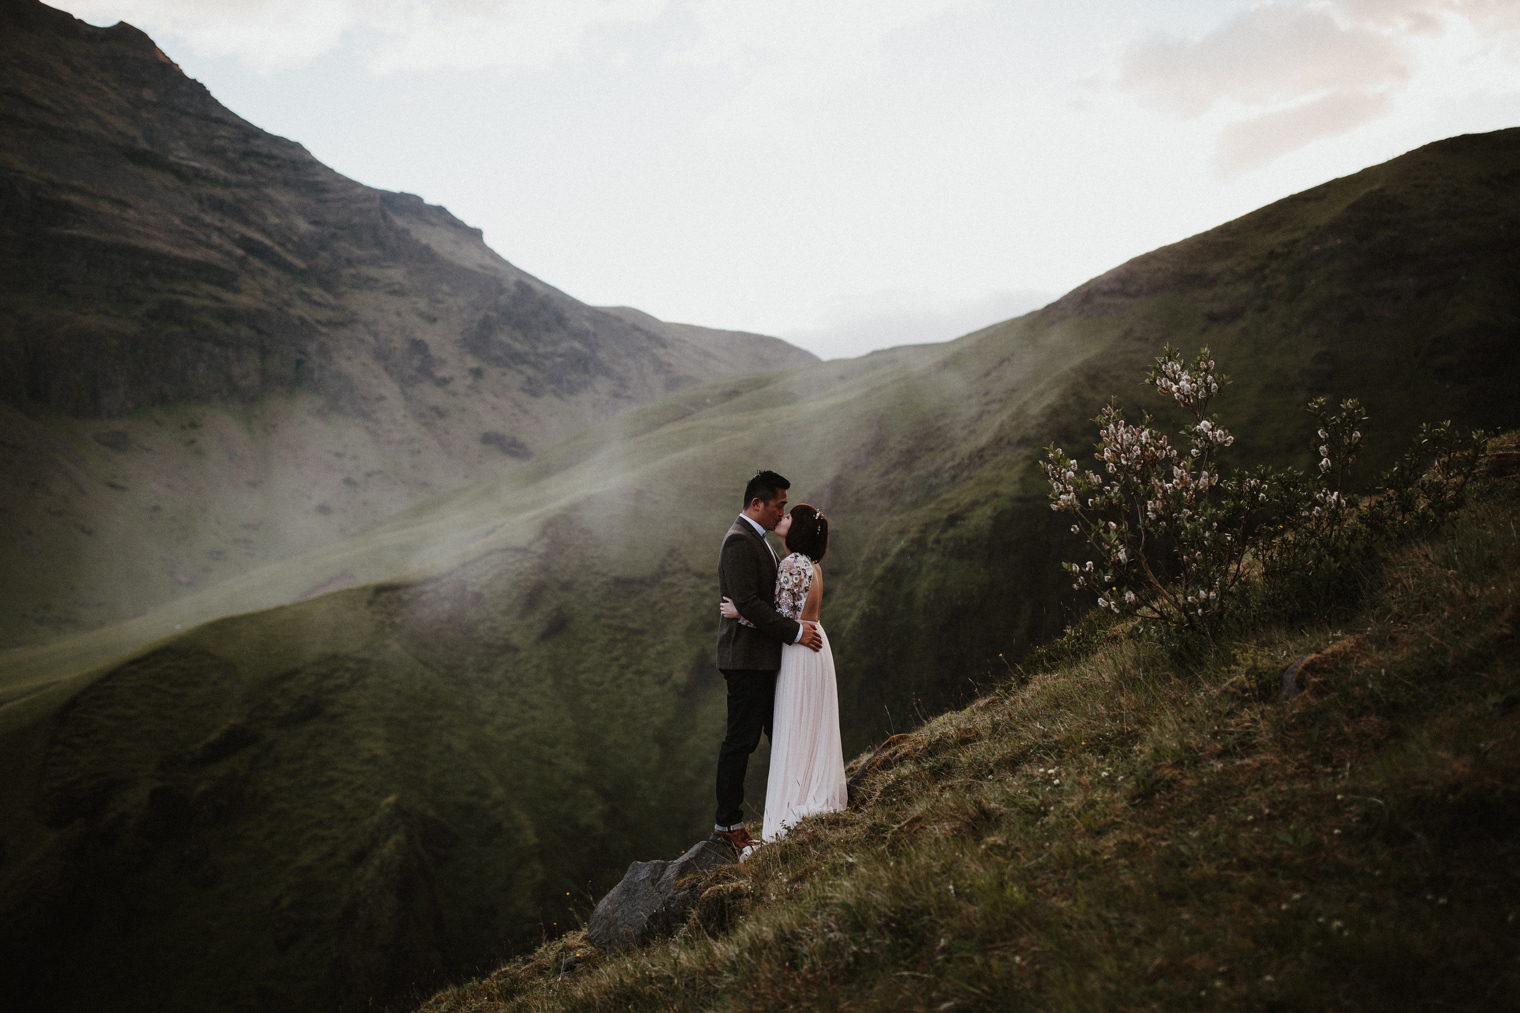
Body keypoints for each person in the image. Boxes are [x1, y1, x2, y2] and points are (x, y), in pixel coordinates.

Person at [712, 471, 823, 857]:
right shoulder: (739, 541)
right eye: (779, 505)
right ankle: (728, 825)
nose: (781, 512)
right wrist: (795, 632)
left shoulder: (757, 539)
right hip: (746, 659)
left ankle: (797, 804)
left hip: (762, 657)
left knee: (781, 733)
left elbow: (753, 604)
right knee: (740, 741)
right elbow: (749, 602)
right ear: (757, 503)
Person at [721, 503, 846, 843]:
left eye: (789, 516)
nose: (782, 517)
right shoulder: (813, 565)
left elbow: (779, 618)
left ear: (798, 529)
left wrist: (740, 613)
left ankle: (795, 797)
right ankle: (809, 786)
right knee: (809, 724)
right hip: (816, 646)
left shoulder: (792, 563)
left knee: (795, 723)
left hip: (799, 649)